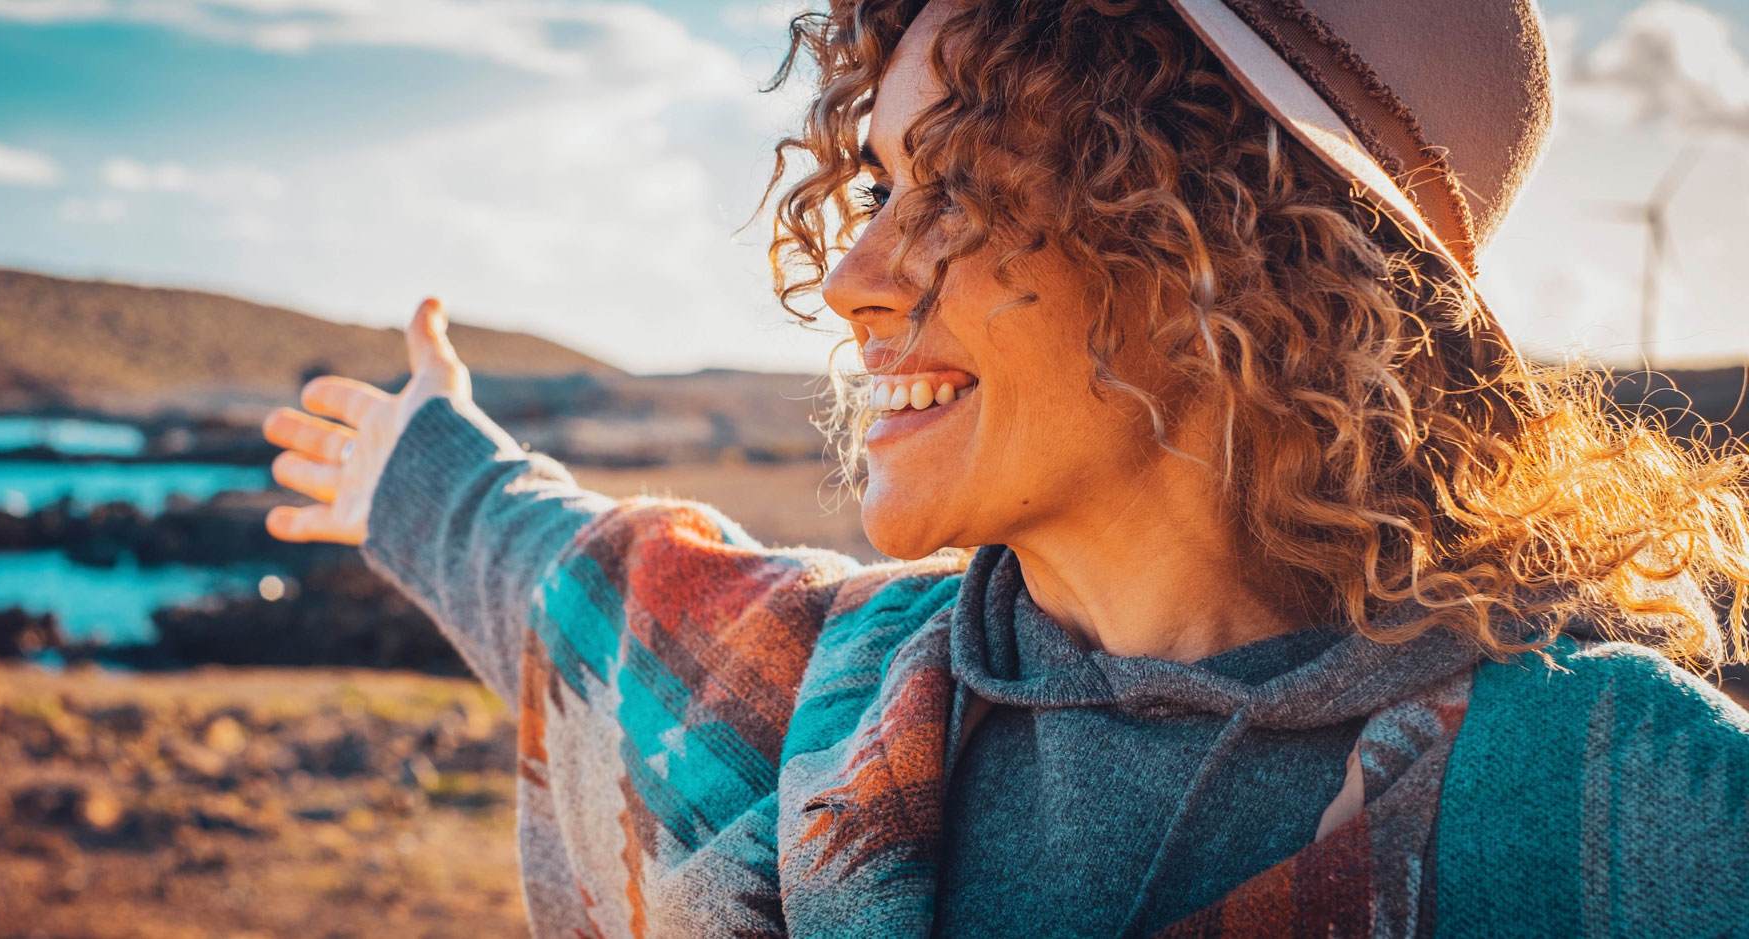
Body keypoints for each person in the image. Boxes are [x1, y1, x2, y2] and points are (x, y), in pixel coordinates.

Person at [260, 0, 1749, 935]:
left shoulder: (1622, 805)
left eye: (958, 183)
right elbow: (580, 584)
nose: (848, 274)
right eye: (881, 180)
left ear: (1232, 247)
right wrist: (423, 465)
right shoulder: (815, 683)